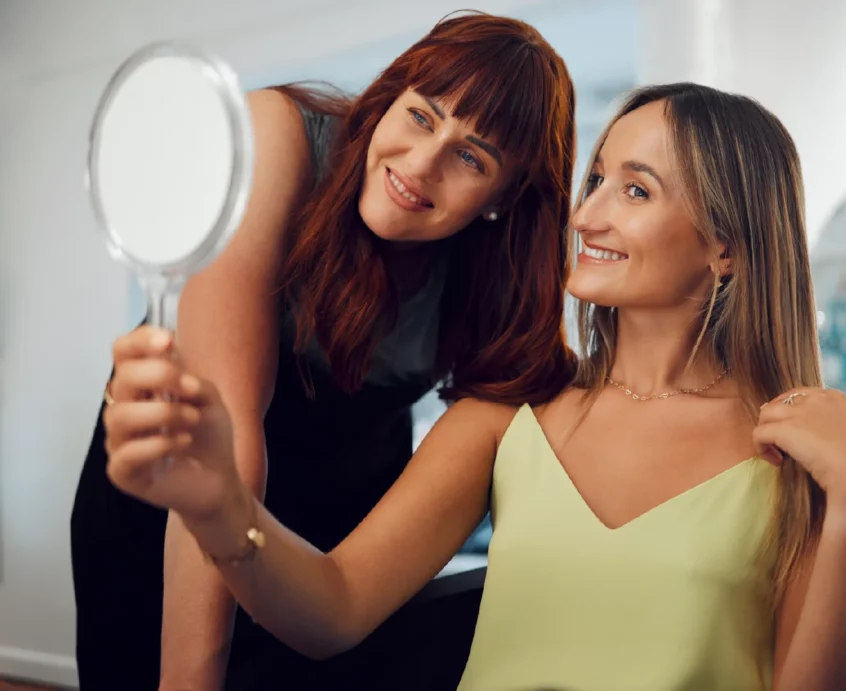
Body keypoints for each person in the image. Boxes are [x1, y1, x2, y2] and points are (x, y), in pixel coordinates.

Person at [102, 82, 846, 690]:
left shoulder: (797, 454)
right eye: (594, 178)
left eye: (636, 189)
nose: (586, 215)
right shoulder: (508, 415)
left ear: (725, 248)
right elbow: (332, 607)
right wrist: (221, 508)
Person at [70, 12, 577, 691]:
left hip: (342, 512)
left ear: (506, 195)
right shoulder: (278, 137)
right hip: (185, 488)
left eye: (471, 156)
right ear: (390, 96)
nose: (420, 166)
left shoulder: (495, 285)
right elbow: (229, 435)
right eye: (422, 116)